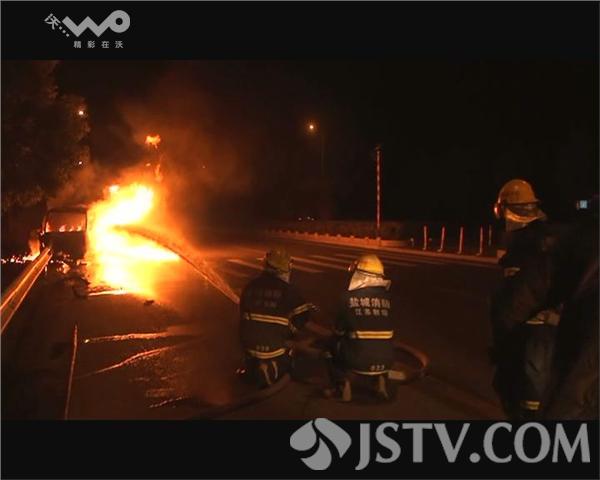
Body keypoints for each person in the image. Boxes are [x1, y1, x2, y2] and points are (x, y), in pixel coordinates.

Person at [500, 196, 599, 419]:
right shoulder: (556, 234)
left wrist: (506, 336)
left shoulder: (583, 237)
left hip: (584, 358)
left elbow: (523, 295)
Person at [490, 179, 562, 419]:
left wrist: (501, 342)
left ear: (505, 209)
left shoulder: (523, 243)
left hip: (530, 332)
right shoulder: (548, 237)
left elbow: (514, 302)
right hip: (552, 328)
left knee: (523, 396)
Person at [239, 248, 314, 387]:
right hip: (274, 351)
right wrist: (290, 332)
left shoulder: (249, 286)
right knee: (299, 354)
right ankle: (275, 369)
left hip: (249, 348)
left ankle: (253, 368)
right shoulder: (288, 290)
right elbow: (303, 318)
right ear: (285, 268)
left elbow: (243, 317)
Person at [325, 254, 394, 402]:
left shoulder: (347, 298)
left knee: (330, 349)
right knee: (380, 343)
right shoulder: (389, 299)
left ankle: (342, 386)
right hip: (387, 360)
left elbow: (338, 331)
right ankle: (381, 385)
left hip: (357, 360)